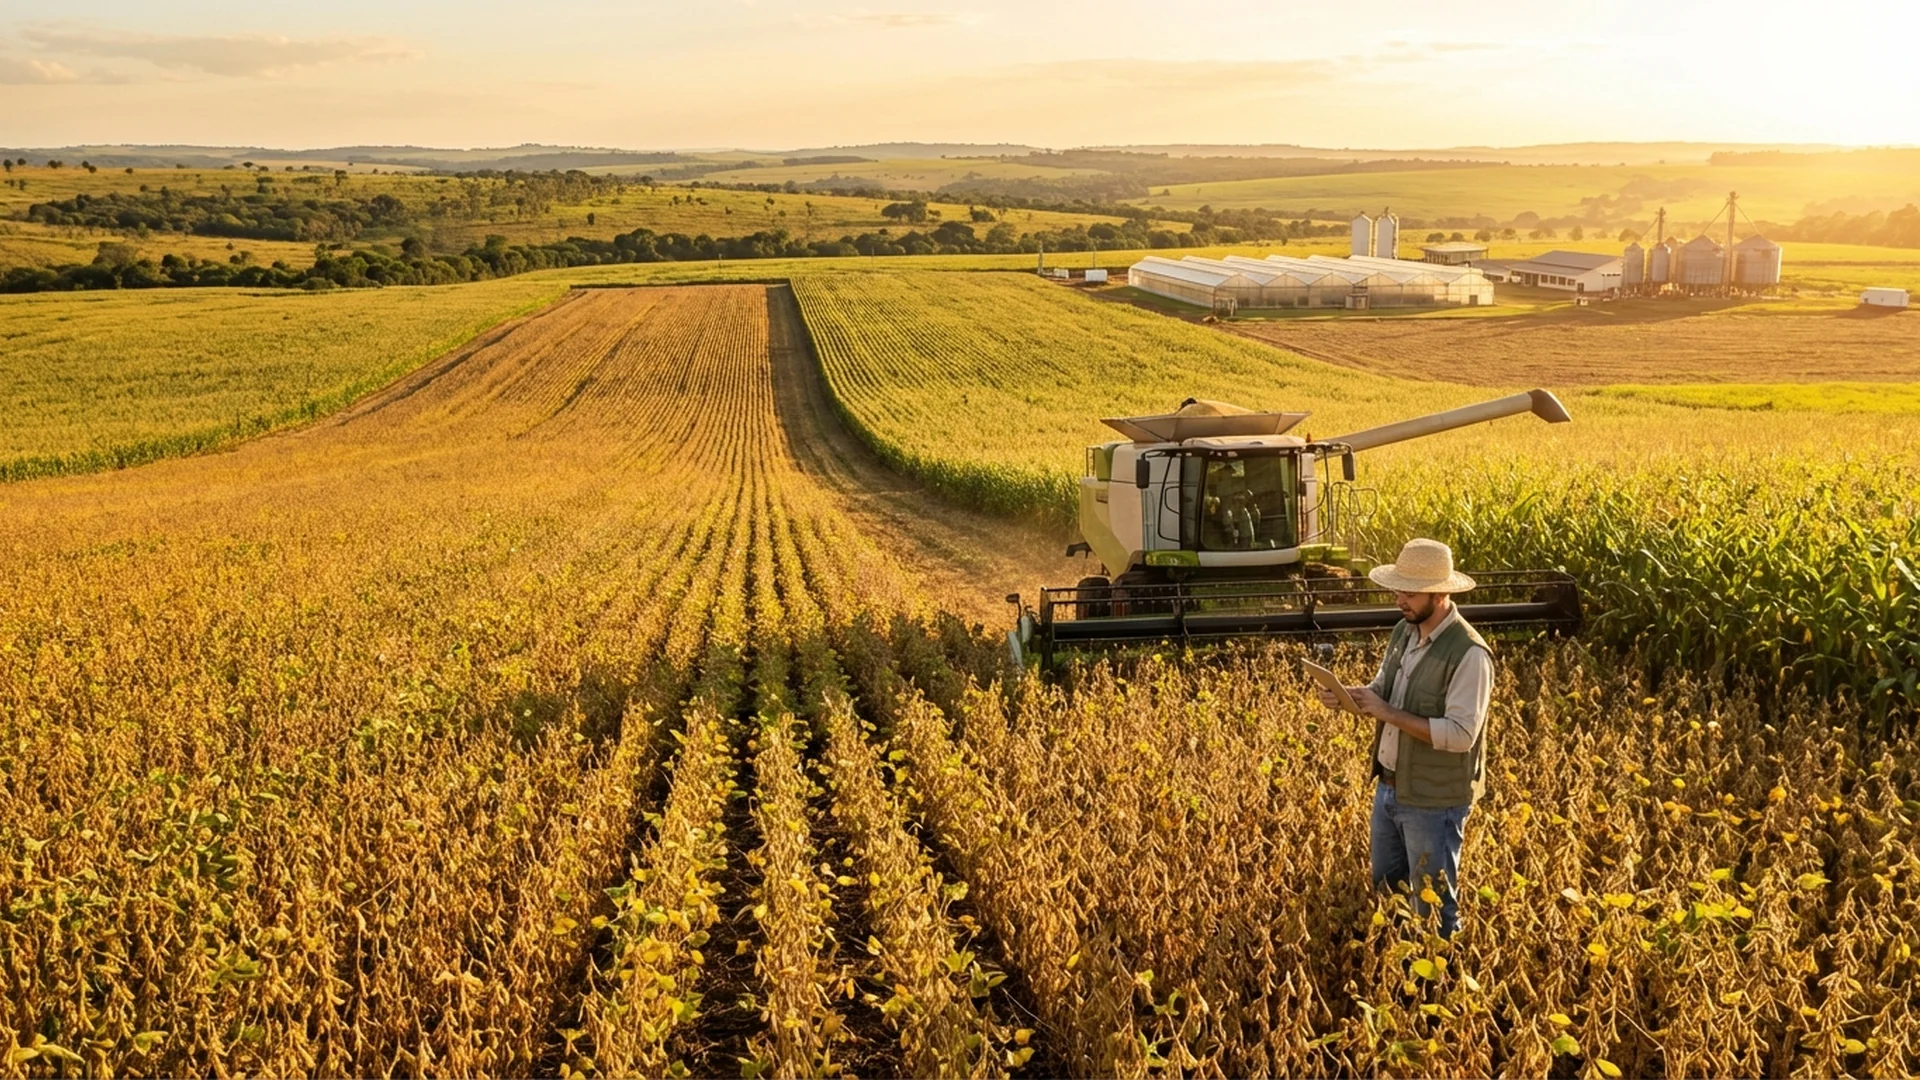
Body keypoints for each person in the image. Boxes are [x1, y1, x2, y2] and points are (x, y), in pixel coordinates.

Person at [1316, 538, 1492, 937]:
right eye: (1398, 590)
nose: (1400, 600)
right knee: (1387, 889)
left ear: (1440, 593)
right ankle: (1397, 962)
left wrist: (1388, 713)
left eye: (1410, 593)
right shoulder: (1404, 632)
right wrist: (1348, 697)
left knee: (1433, 905)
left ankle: (1440, 970)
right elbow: (1384, 689)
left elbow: (1461, 735)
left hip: (1434, 800)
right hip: (1389, 787)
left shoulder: (1470, 654)